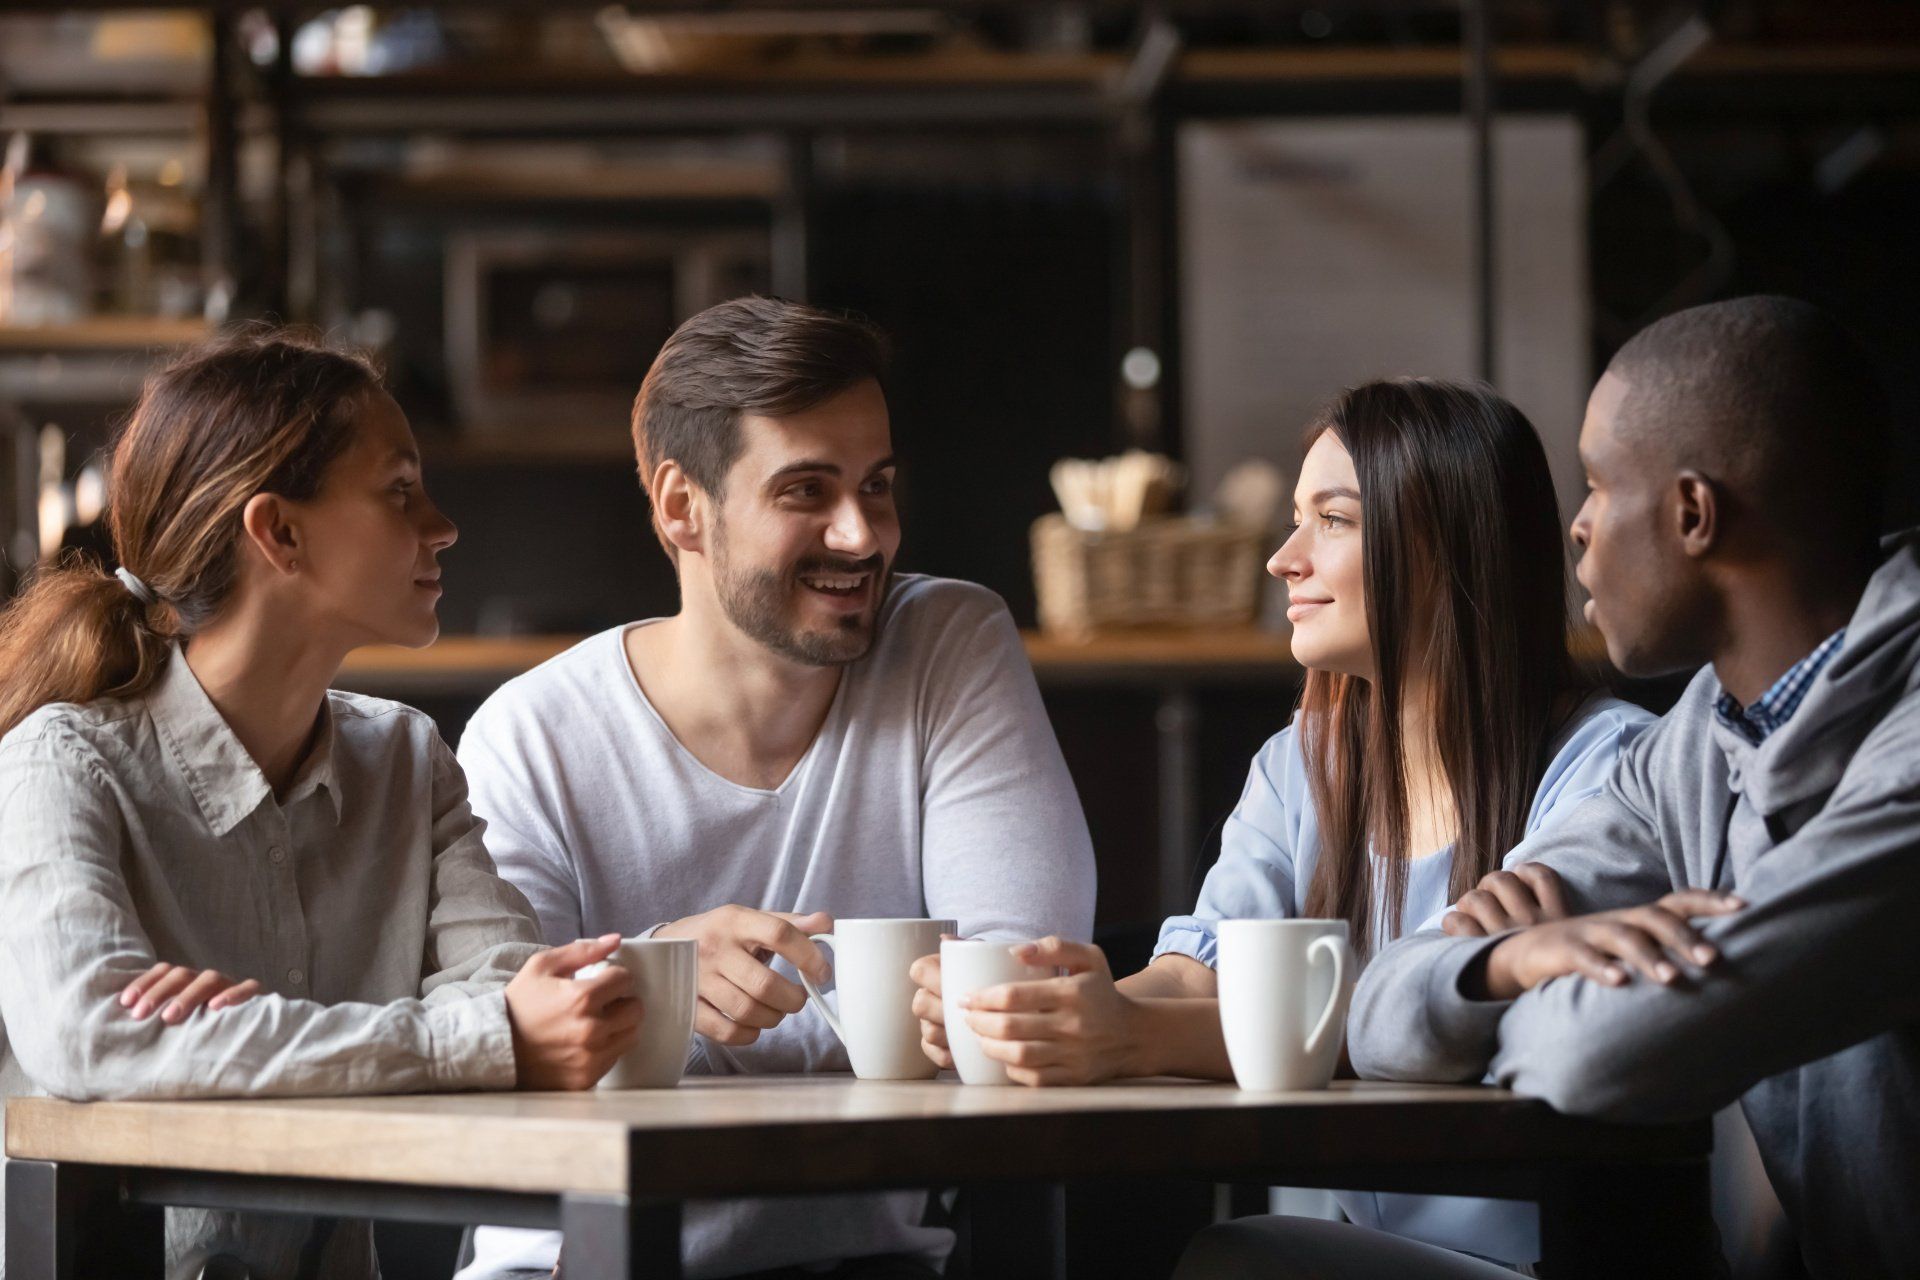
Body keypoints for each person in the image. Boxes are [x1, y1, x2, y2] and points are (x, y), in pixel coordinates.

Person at [911, 378, 1652, 1271]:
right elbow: (1198, 974)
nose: (1283, 558)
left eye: (1332, 520)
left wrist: (1130, 1033)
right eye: (1296, 518)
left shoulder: (1609, 769)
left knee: (1240, 1260)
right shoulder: (1306, 761)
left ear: (1447, 543)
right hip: (1373, 1251)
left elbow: (1455, 1013)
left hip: (1561, 1252)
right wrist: (1047, 1012)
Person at [454, 296, 1097, 1280]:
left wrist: (647, 1010)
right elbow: (504, 1042)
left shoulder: (947, 644)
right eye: (807, 490)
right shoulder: (531, 733)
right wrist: (665, 965)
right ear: (681, 506)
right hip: (575, 1265)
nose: (862, 534)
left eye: (876, 486)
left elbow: (1012, 993)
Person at [0, 331, 642, 1280]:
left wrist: (225, 1037)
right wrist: (465, 1040)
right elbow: (95, 1035)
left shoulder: (407, 758)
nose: (442, 525)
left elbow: (512, 993)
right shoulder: (61, 765)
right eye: (399, 491)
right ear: (280, 533)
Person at [1322, 296, 1918, 1280]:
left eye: (1598, 484)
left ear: (1693, 513)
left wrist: (1541, 991)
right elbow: (1378, 1009)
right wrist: (1512, 960)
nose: (1578, 530)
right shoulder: (1687, 747)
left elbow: (1599, 1058)